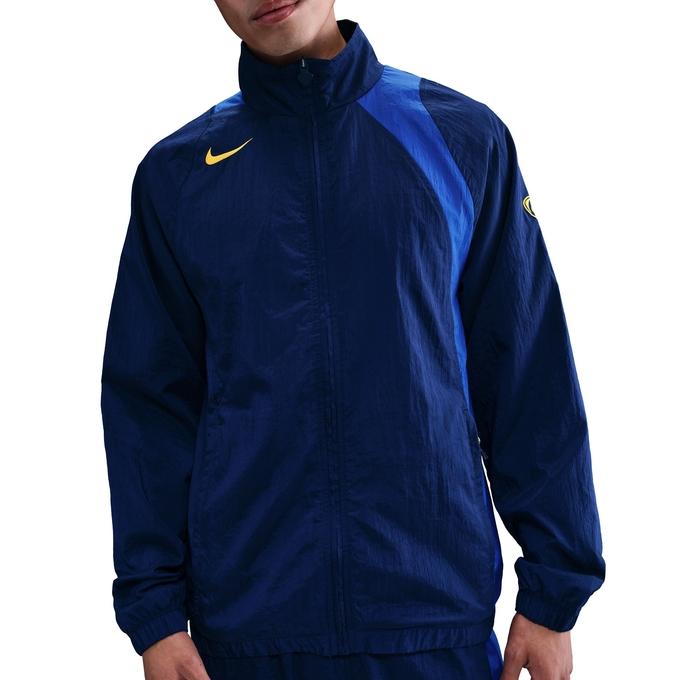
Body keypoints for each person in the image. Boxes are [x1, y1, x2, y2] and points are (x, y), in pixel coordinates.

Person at [99, 1, 606, 678]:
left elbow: (527, 371)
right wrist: (156, 615)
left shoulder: (462, 139)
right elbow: (149, 409)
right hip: (246, 636)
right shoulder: (178, 176)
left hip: (433, 626)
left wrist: (553, 592)